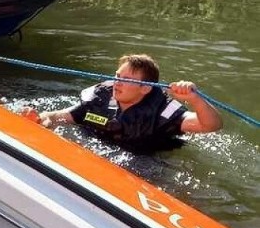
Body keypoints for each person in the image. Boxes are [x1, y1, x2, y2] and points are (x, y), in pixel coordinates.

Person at [21, 53, 223, 154]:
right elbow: (61, 116)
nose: (117, 83)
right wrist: (41, 119)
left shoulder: (162, 111)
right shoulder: (100, 98)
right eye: (117, 76)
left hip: (145, 163)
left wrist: (195, 99)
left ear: (145, 88)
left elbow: (211, 126)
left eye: (126, 80)